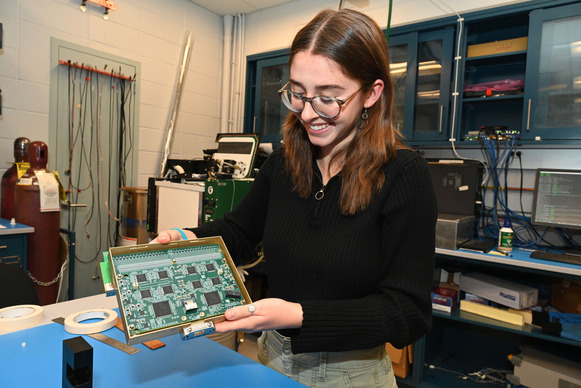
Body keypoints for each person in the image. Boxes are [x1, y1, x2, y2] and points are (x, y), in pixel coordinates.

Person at [154, 8, 437, 387]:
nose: (308, 113)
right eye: (299, 94)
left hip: (350, 374)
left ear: (372, 93)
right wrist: (186, 239)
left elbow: (407, 313)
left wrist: (298, 315)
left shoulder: (404, 174)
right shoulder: (285, 163)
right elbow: (238, 232)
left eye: (328, 97)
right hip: (269, 358)